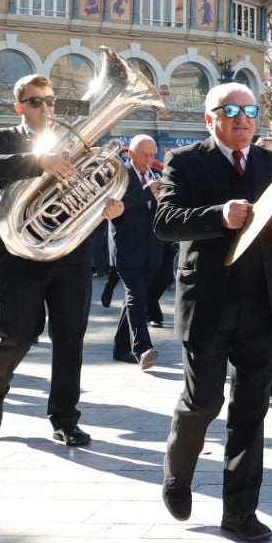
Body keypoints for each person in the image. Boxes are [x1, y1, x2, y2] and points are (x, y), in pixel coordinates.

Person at [154, 82, 272, 542]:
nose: (243, 118)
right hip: (207, 302)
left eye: (250, 110)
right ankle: (177, 473)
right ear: (211, 118)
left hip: (263, 304)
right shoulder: (186, 162)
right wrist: (218, 215)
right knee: (203, 400)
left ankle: (240, 512)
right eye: (231, 110)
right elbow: (164, 223)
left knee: (251, 410)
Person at [0, 75, 123, 446]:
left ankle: (65, 418)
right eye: (36, 101)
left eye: (50, 100)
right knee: (16, 335)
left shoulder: (77, 140)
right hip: (20, 255)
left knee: (70, 337)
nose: (46, 107)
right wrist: (39, 160)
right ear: (20, 106)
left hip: (71, 254)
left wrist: (105, 205)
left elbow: (98, 185)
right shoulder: (4, 137)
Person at [109, 135, 164, 370]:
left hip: (151, 249)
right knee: (137, 296)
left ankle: (121, 347)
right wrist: (146, 192)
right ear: (131, 154)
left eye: (153, 155)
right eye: (145, 155)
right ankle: (142, 347)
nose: (150, 160)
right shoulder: (119, 176)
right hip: (126, 248)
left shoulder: (154, 176)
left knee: (135, 298)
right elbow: (115, 207)